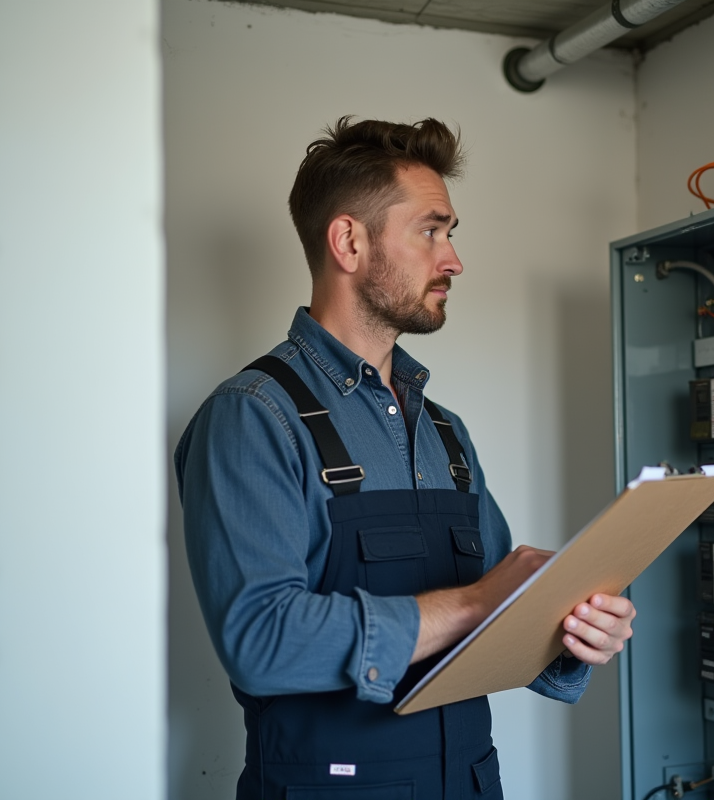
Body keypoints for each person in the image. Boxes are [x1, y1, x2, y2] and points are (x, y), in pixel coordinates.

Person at [175, 116, 636, 800]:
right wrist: (474, 602)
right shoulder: (252, 416)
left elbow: (501, 611)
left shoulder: (445, 433)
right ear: (349, 241)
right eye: (431, 230)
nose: (453, 260)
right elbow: (261, 638)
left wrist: (571, 633)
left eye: (451, 234)